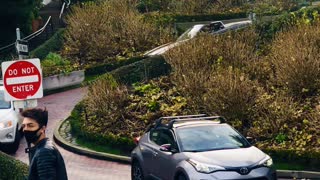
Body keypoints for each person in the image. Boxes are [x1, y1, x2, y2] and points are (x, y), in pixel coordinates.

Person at [21, 108, 68, 180]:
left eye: (30, 125)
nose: (26, 129)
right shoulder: (44, 146)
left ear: (43, 128)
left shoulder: (44, 152)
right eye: (24, 126)